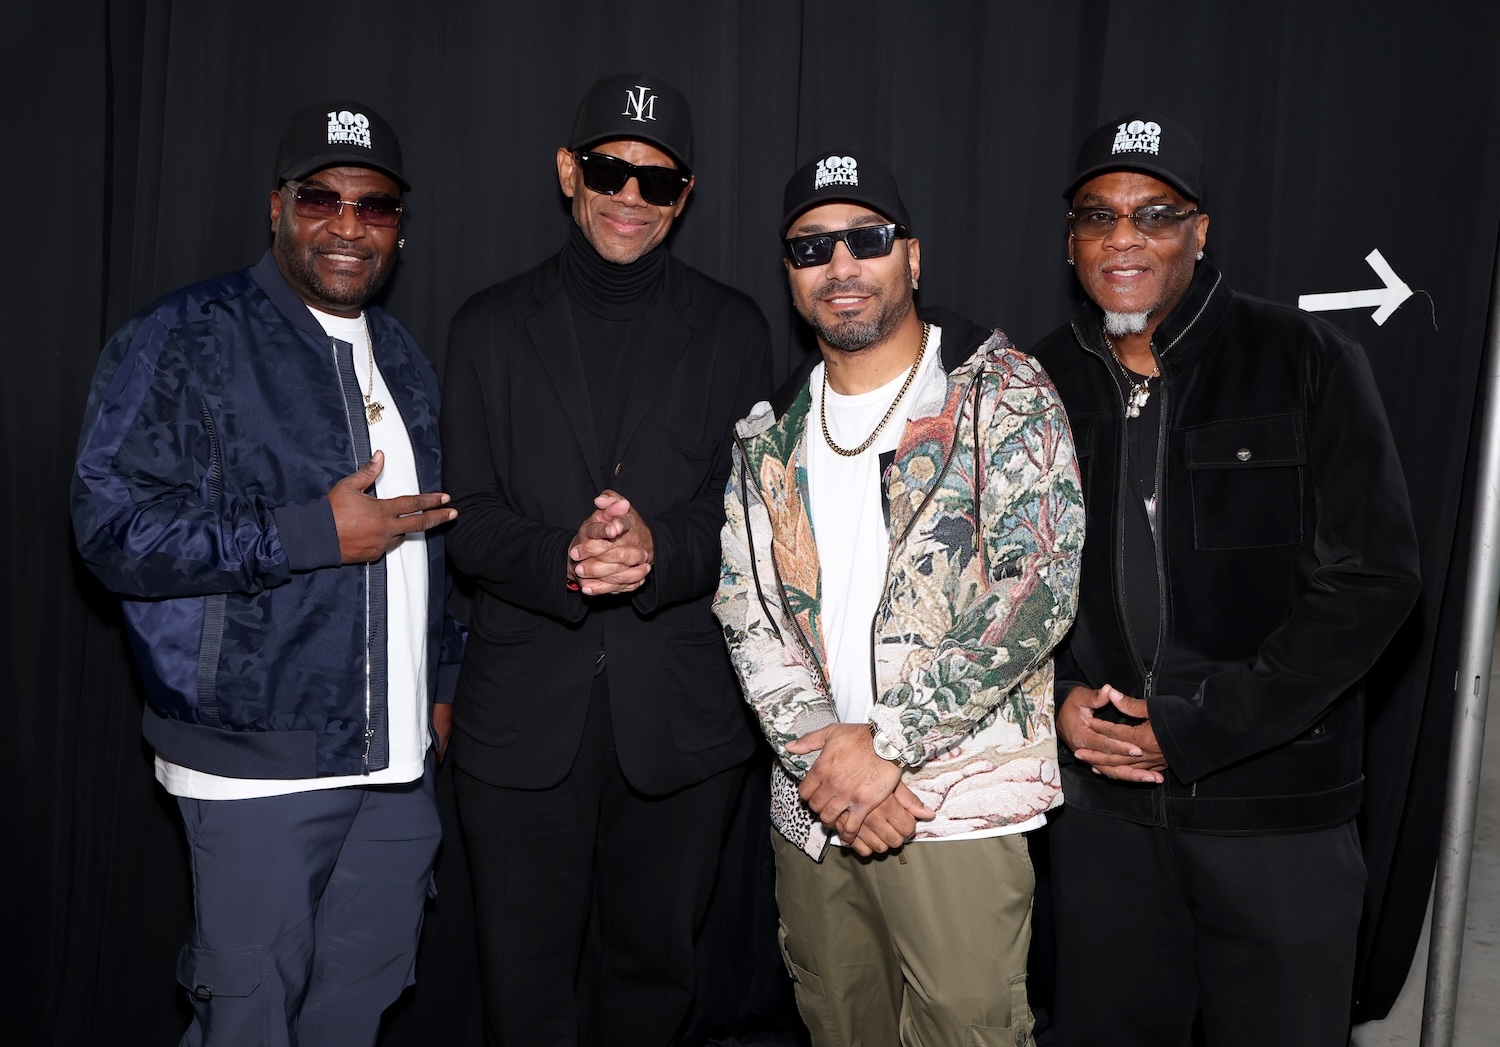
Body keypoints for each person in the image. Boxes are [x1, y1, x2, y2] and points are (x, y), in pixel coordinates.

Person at [72, 100, 459, 1046]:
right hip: (252, 766)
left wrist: (441, 682)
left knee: (354, 1009)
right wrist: (307, 533)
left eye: (375, 206)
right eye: (321, 198)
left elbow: (431, 536)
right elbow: (109, 528)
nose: (348, 225)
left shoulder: (402, 357)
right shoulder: (186, 336)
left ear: (400, 228)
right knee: (248, 1019)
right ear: (276, 206)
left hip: (398, 766)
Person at [1030, 113, 1421, 1047]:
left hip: (1275, 814)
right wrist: (1055, 699)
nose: (1124, 237)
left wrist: (1196, 726)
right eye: (1098, 215)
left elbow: (1374, 581)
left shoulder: (1306, 359)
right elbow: (997, 589)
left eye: (1155, 213)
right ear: (1072, 239)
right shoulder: (1034, 384)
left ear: (1199, 230)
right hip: (1104, 817)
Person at [715, 151, 1085, 1047]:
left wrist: (887, 745)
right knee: (839, 1024)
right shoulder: (767, 434)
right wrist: (830, 765)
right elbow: (746, 612)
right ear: (791, 275)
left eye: (866, 239)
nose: (840, 265)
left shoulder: (1001, 390)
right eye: (812, 248)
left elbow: (1036, 587)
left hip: (952, 804)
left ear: (911, 258)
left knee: (966, 1030)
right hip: (815, 807)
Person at [440, 71, 772, 1045]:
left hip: (681, 719)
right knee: (523, 996)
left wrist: (658, 550)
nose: (630, 197)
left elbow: (753, 523)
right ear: (566, 171)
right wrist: (566, 557)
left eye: (656, 181)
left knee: (654, 986)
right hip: (519, 721)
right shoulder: (486, 327)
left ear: (685, 196)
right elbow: (467, 521)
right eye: (607, 171)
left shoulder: (734, 330)